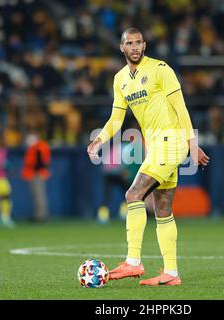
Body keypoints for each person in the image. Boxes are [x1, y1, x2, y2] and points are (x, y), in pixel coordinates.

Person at [87, 28, 209, 286]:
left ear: (145, 44)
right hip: (155, 147)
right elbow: (116, 119)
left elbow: (181, 108)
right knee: (163, 209)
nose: (134, 47)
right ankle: (171, 273)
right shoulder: (120, 79)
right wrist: (99, 140)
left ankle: (133, 262)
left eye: (138, 42)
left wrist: (192, 144)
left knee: (133, 194)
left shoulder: (161, 69)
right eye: (129, 43)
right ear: (121, 47)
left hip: (171, 142)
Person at [21, 132, 51, 222]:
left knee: (39, 195)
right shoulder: (38, 147)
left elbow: (41, 162)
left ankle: (40, 216)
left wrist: (36, 171)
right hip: (37, 173)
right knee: (38, 195)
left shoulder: (38, 148)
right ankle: (40, 214)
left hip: (37, 174)